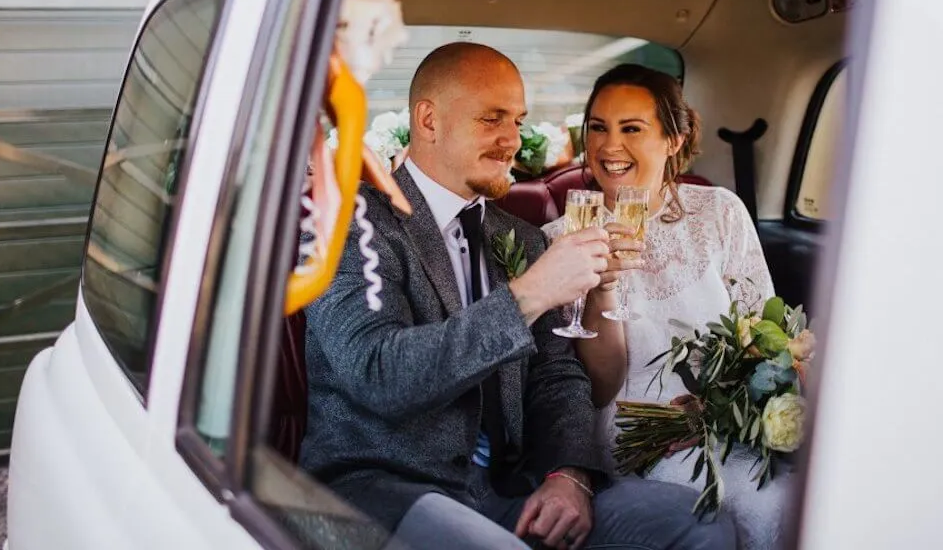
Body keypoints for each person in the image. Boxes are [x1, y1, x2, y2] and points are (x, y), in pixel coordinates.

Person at [301, 44, 736, 550]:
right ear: (428, 120)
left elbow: (557, 375)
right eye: (492, 120)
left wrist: (569, 476)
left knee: (697, 522)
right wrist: (527, 295)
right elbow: (378, 374)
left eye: (519, 121)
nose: (512, 140)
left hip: (510, 490)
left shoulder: (521, 239)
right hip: (385, 489)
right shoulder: (351, 226)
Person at [542, 63, 792, 550]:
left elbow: (764, 337)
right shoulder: (558, 239)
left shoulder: (720, 212)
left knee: (793, 496)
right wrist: (602, 288)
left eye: (631, 128)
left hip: (725, 424)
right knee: (752, 504)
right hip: (631, 440)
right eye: (598, 128)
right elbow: (597, 390)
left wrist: (715, 408)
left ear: (673, 140)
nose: (609, 147)